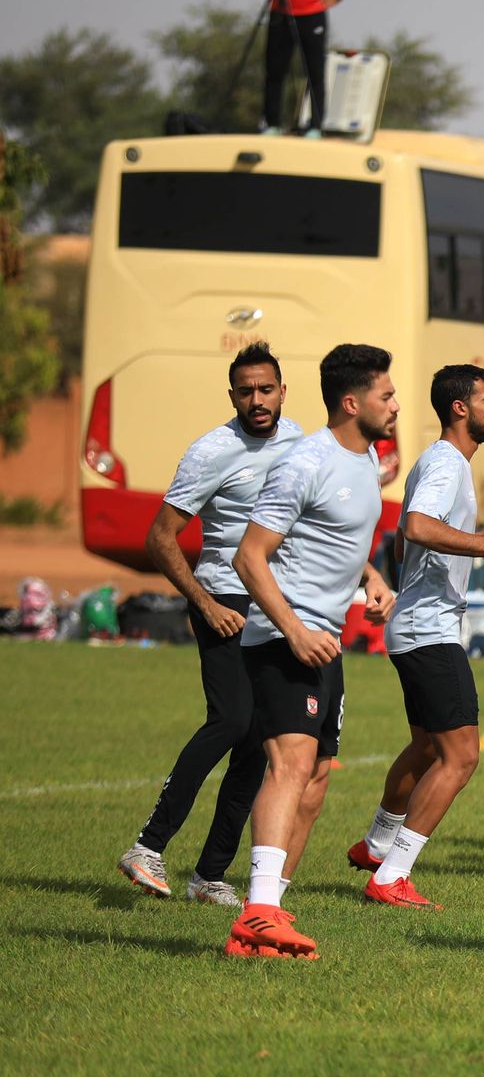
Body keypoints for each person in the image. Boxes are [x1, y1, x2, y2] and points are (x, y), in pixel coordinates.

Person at [222, 343, 397, 958]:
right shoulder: (306, 462)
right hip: (284, 638)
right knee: (290, 768)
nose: (395, 405)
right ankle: (260, 911)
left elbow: (333, 540)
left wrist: (370, 578)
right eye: (386, 395)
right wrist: (293, 629)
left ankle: (268, 913)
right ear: (352, 403)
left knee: (317, 779)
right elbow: (251, 556)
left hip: (324, 641)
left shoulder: (366, 457)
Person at [119, 343, 303, 906]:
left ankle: (209, 876)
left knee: (257, 743)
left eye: (265, 389)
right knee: (230, 720)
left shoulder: (302, 443)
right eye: (245, 391)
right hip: (223, 599)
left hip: (276, 606)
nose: (257, 400)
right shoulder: (212, 451)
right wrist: (203, 602)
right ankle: (146, 847)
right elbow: (160, 537)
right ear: (232, 396)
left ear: (281, 391)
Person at [347, 365, 484, 908]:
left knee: (429, 746)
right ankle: (391, 876)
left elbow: (419, 539)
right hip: (428, 630)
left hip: (417, 625)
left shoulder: (445, 463)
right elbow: (417, 528)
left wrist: (479, 539)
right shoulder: (448, 464)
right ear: (461, 408)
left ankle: (379, 845)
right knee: (461, 756)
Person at [256, 0, 362, 138]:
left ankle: (316, 126)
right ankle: (272, 124)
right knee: (274, 70)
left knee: (315, 72)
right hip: (280, 11)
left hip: (312, 13)